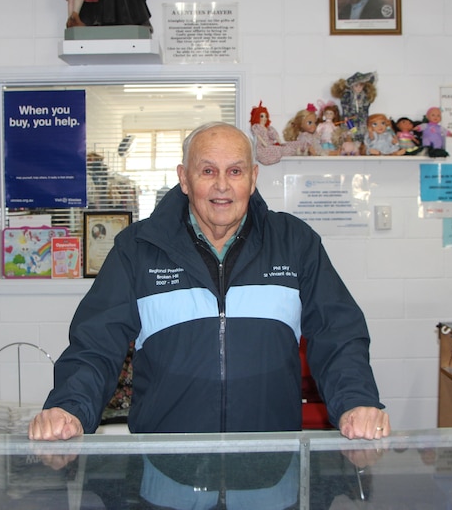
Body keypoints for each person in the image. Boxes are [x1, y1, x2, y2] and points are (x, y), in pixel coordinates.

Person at [29, 122, 389, 441]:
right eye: (207, 171)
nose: (222, 186)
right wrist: (69, 407)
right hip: (165, 472)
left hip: (272, 467)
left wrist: (356, 402)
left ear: (253, 177)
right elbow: (95, 343)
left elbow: (338, 332)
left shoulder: (295, 242)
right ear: (184, 178)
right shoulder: (137, 248)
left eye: (235, 171)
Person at [249, 100, 305, 165]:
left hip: (270, 145)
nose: (264, 118)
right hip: (263, 148)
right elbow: (258, 137)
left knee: (287, 145)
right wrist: (265, 144)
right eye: (262, 116)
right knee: (278, 150)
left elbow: (275, 136)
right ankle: (296, 151)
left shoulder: (269, 128)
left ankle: (300, 149)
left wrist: (279, 141)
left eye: (266, 116)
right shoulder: (256, 127)